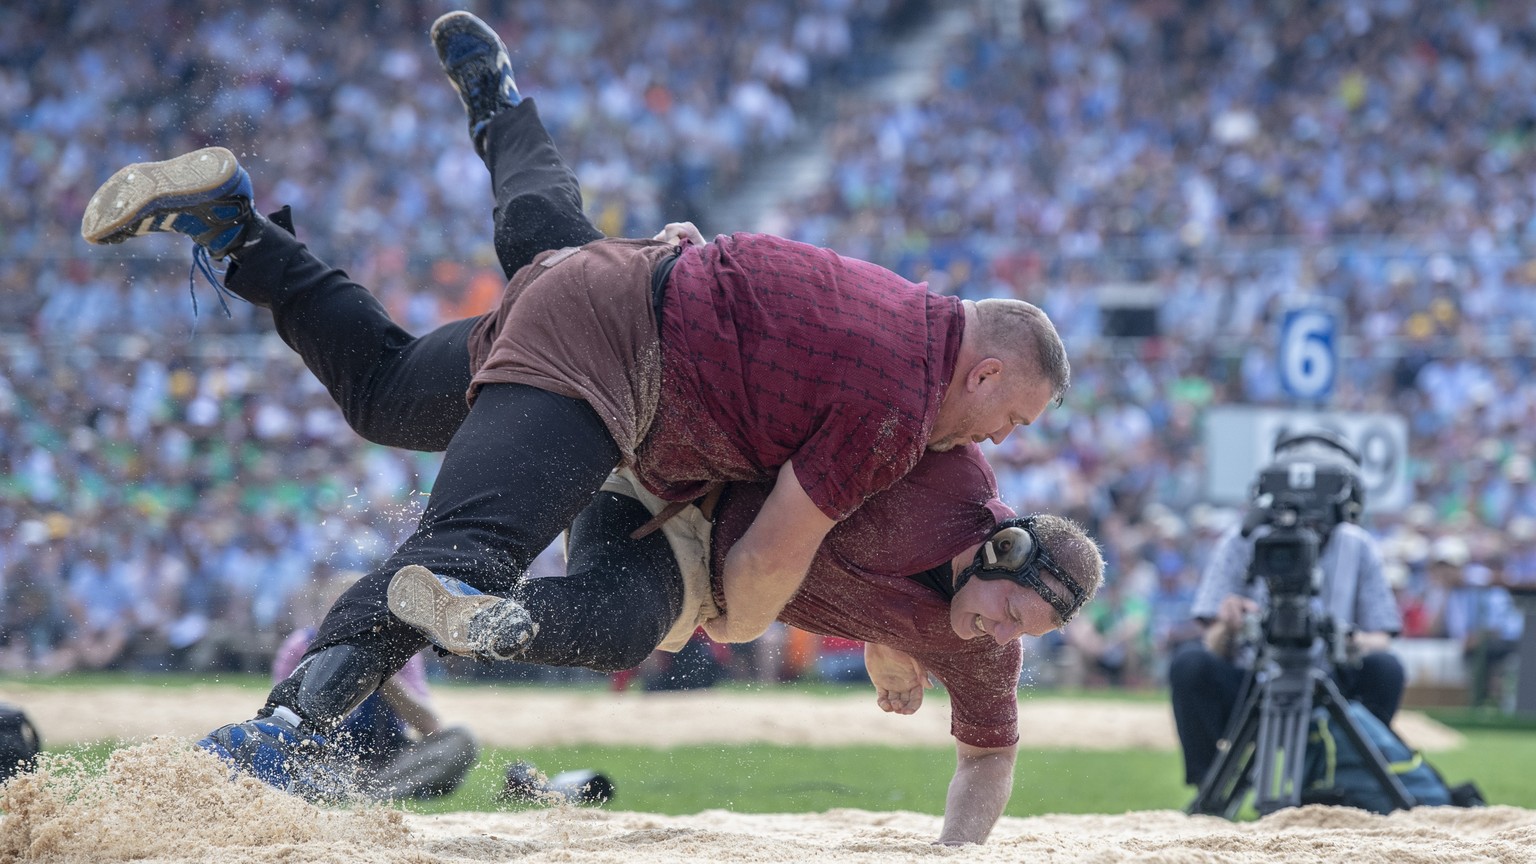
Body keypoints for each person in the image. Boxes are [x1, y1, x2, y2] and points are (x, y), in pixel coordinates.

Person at [81, 12, 1095, 844]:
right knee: (472, 552)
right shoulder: (915, 419)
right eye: (1006, 418)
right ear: (989, 369)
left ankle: (292, 207)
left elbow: (975, 717)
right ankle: (290, 731)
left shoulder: (908, 357)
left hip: (641, 349)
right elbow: (776, 554)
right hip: (629, 380)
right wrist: (739, 624)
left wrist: (891, 641)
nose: (995, 440)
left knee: (412, 368)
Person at [1168, 429, 1405, 789]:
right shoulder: (1243, 538)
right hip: (1254, 679)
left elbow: (1382, 637)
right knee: (1189, 665)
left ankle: (1342, 778)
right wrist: (1229, 625)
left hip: (1330, 682)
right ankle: (1211, 783)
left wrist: (1351, 641)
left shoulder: (1358, 546)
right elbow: (1211, 642)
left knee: (1385, 670)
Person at [271, 571, 479, 801]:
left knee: (460, 741)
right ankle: (370, 794)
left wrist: (380, 673)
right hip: (328, 760)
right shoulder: (301, 646)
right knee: (285, 758)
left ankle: (361, 795)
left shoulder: (400, 650)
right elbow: (282, 726)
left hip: (388, 762)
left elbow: (430, 726)